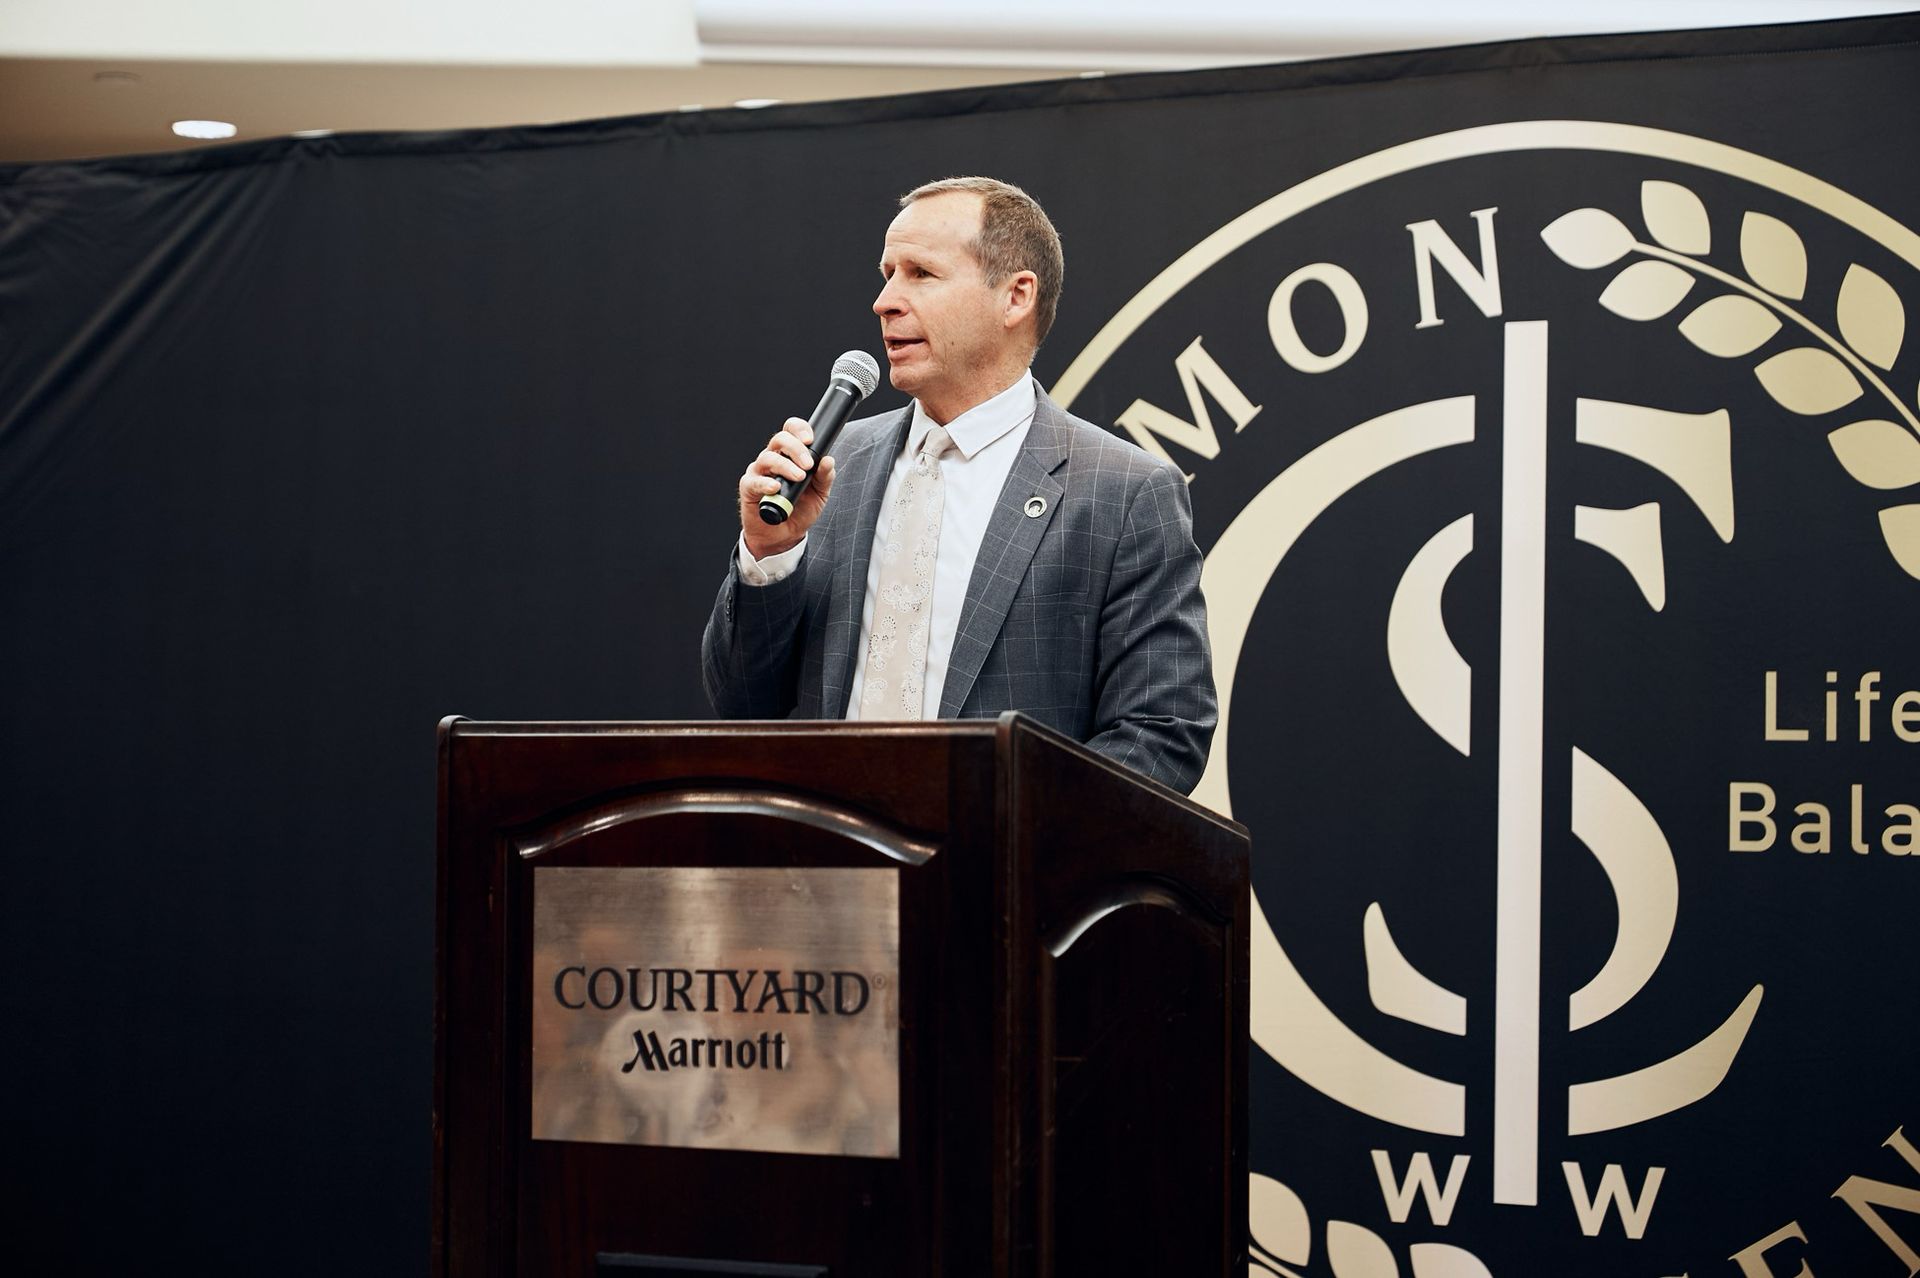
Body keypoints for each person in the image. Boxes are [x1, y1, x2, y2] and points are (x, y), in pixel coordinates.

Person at [700, 176, 1216, 793]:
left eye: (921, 273)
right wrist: (768, 555)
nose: (885, 301)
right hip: (824, 873)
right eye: (887, 273)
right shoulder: (832, 465)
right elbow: (743, 705)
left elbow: (1161, 732)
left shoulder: (1124, 492)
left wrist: (1003, 844)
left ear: (1015, 297)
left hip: (998, 876)